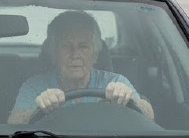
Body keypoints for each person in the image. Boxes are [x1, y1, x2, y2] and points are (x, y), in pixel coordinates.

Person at [8, 10, 154, 124]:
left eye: (83, 46)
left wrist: (129, 100)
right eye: (66, 46)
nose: (75, 54)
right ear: (54, 53)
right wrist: (39, 108)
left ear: (95, 54)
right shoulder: (35, 86)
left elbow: (149, 117)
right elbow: (13, 123)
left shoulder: (116, 82)